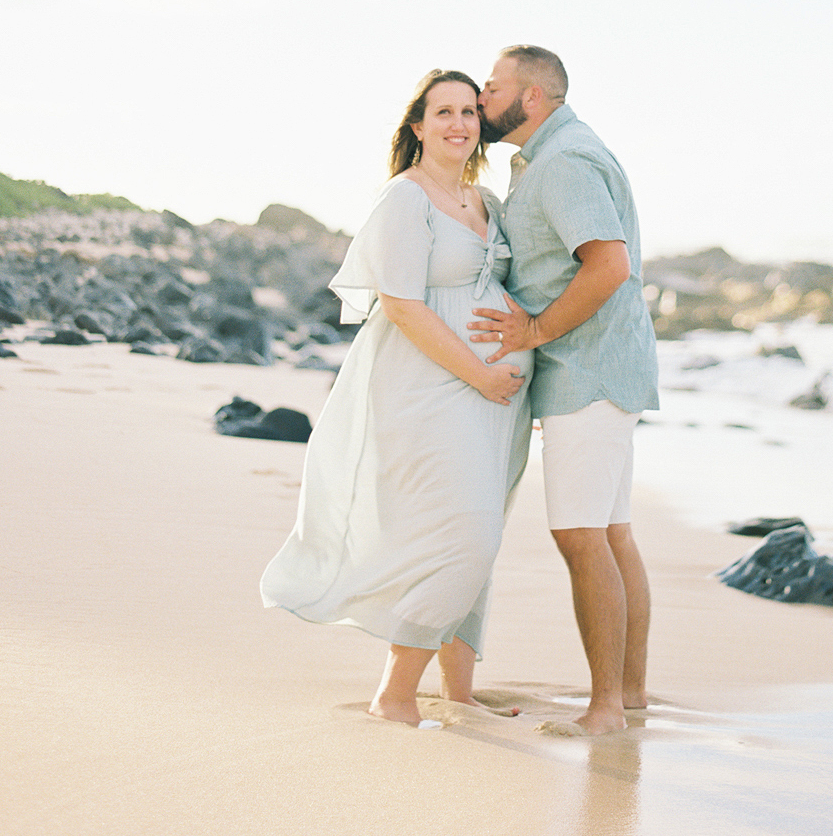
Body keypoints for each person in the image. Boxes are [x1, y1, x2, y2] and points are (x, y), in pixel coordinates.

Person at [260, 69, 533, 728]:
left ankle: (459, 694)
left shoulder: (485, 201)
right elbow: (404, 306)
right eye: (443, 112)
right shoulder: (404, 201)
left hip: (490, 399)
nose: (459, 123)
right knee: (466, 534)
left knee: (479, 535)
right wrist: (481, 373)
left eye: (469, 111)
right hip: (431, 390)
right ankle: (396, 694)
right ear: (418, 126)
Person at [469, 46, 659, 735]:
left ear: (535, 97)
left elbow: (607, 266)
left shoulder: (564, 163)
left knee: (583, 538)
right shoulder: (553, 155)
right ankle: (628, 695)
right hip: (605, 367)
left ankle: (606, 708)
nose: (482, 100)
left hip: (588, 368)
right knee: (610, 533)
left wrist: (534, 331)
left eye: (492, 89)